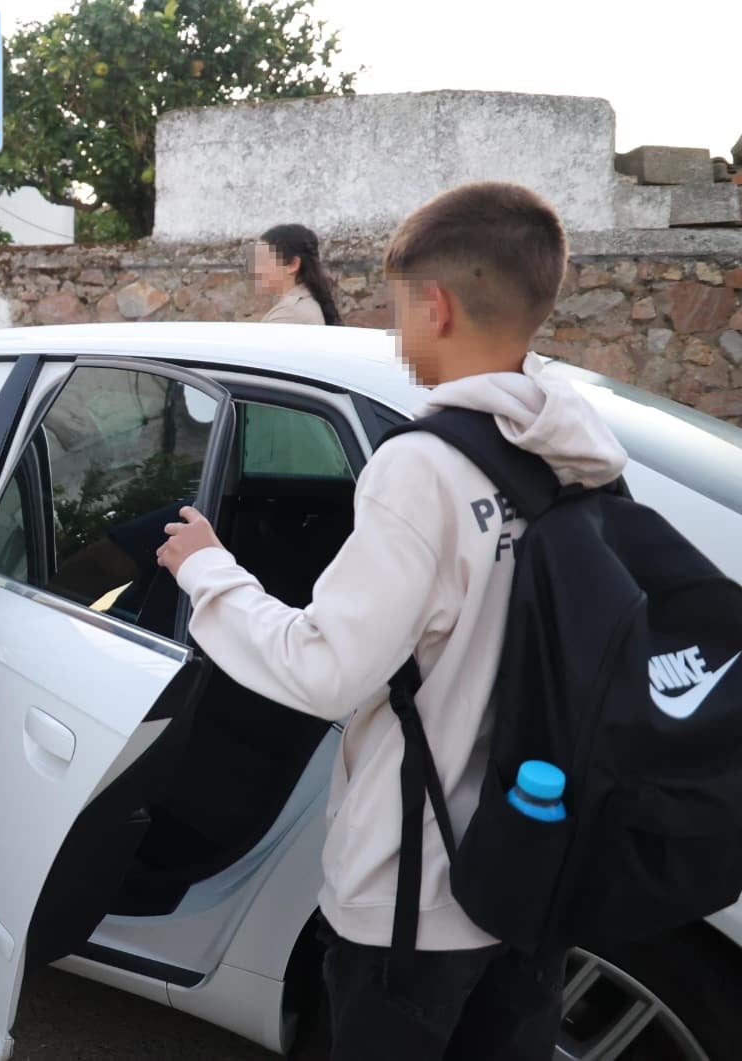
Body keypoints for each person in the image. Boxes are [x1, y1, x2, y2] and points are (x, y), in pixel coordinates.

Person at [157, 182, 627, 1060]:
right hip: (537, 866)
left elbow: (327, 669)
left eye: (397, 309)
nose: (394, 330)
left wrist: (209, 572)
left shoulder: (422, 469)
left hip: (420, 896)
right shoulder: (582, 451)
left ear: (437, 306)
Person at [251, 223, 342, 325]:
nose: (256, 269)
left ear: (293, 264)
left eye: (263, 261)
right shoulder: (301, 304)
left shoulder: (289, 313)